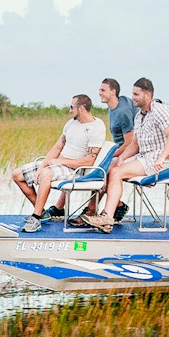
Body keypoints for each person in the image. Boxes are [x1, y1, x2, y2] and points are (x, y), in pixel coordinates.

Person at [80, 77, 169, 234]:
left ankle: (107, 217)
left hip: (156, 160)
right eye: (132, 94)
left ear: (147, 95)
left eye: (136, 94)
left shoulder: (161, 110)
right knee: (109, 167)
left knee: (116, 172)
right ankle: (100, 211)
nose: (132, 97)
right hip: (143, 157)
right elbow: (134, 144)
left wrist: (162, 158)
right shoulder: (140, 115)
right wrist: (121, 158)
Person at [12, 94, 106, 232]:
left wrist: (61, 161)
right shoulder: (71, 123)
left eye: (71, 107)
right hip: (58, 164)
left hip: (74, 168)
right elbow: (58, 146)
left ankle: (36, 217)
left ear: (80, 108)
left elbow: (90, 160)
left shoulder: (96, 127)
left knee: (46, 174)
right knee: (17, 175)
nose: (70, 110)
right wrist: (43, 165)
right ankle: (42, 213)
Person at [68, 78, 136, 226]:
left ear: (113, 92)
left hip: (133, 151)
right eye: (99, 90)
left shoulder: (122, 112)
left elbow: (129, 143)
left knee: (106, 168)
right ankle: (117, 206)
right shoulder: (118, 104)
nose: (99, 93)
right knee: (102, 165)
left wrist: (108, 155)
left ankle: (92, 210)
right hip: (122, 149)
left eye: (103, 90)